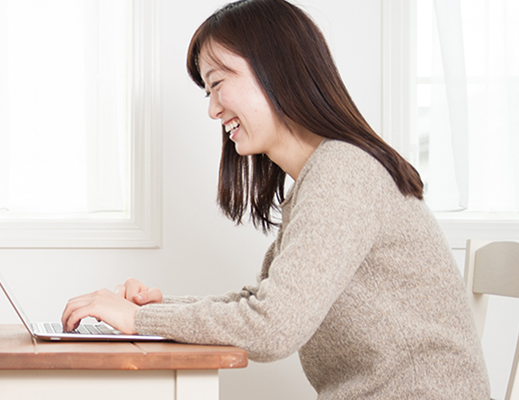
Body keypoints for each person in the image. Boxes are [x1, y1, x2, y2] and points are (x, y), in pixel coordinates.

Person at [60, 0, 490, 398]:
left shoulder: (345, 171)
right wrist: (155, 310)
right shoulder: (320, 176)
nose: (212, 110)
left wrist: (137, 320)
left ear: (275, 69)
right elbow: (265, 301)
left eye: (217, 84)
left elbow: (273, 326)